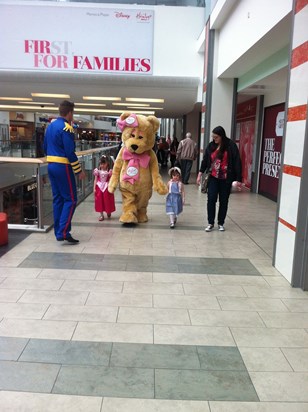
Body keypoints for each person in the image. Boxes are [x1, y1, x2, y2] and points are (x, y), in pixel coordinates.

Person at [44, 100, 85, 243]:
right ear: (70, 113)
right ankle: (63, 231)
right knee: (71, 199)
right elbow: (70, 152)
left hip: (51, 166)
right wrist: (78, 170)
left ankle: (59, 231)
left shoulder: (50, 127)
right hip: (63, 167)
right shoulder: (66, 128)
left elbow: (44, 147)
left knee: (58, 199)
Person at [196, 126, 242, 232]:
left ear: (221, 136)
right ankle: (210, 222)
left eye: (216, 137)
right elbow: (205, 160)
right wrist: (200, 173)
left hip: (226, 178)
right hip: (213, 177)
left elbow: (237, 162)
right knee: (211, 199)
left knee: (224, 201)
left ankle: (221, 223)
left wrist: (238, 179)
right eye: (213, 137)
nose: (214, 139)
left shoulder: (231, 145)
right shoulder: (211, 146)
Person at [93, 155, 115, 221]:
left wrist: (112, 187)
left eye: (104, 164)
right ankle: (101, 214)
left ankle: (108, 211)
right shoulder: (97, 171)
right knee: (99, 201)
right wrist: (94, 188)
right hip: (99, 187)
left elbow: (111, 180)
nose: (102, 165)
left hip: (107, 187)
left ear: (107, 163)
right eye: (101, 164)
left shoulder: (110, 171)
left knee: (107, 200)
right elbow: (95, 179)